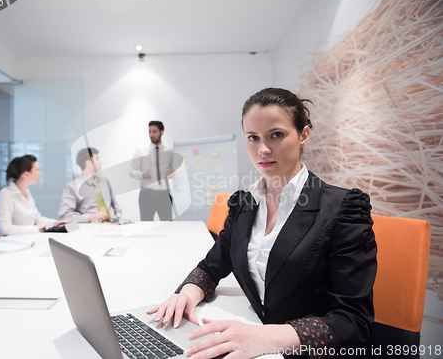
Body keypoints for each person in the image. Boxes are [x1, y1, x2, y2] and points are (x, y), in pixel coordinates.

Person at [147, 88, 377, 359]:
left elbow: (354, 321)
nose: (262, 149)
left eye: (276, 135)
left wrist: (269, 336)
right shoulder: (244, 204)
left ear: (303, 135)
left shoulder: (343, 208)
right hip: (253, 342)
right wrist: (187, 294)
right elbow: (211, 267)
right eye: (253, 138)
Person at [0, 155, 70, 239]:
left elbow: (37, 218)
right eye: (36, 170)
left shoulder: (27, 193)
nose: (39, 173)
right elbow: (5, 229)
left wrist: (55, 223)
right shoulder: (5, 195)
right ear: (26, 174)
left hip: (25, 239)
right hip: (6, 244)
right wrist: (35, 228)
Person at [58, 147, 121, 223]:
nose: (100, 162)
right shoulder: (72, 186)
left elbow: (115, 207)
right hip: (89, 228)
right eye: (97, 159)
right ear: (88, 163)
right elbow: (65, 215)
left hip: (112, 224)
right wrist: (90, 218)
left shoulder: (105, 182)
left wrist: (114, 217)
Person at [130, 120, 174, 221]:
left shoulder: (169, 151)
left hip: (164, 194)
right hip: (147, 194)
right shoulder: (141, 150)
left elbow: (174, 170)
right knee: (147, 226)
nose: (151, 134)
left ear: (161, 132)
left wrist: (173, 173)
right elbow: (131, 171)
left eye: (154, 131)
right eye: (149, 131)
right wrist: (142, 175)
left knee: (168, 225)